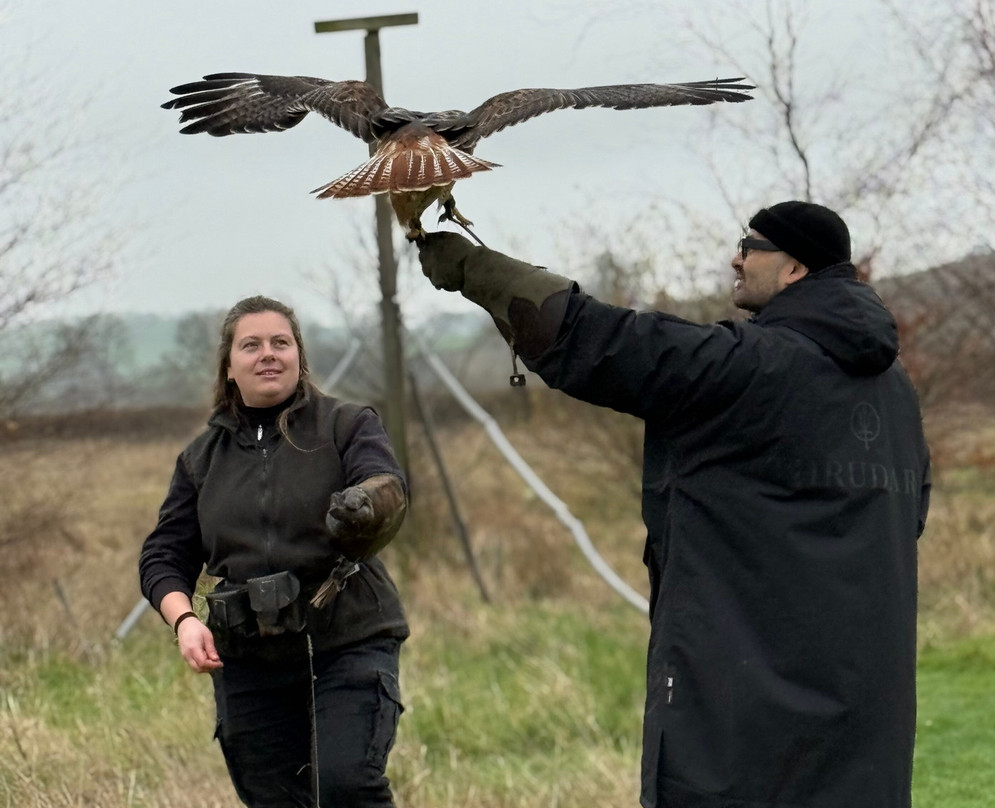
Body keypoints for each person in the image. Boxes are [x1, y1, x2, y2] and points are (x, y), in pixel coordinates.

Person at [416, 201, 931, 808]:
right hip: (867, 708)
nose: (736, 257)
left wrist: (479, 270)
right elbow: (910, 516)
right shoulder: (897, 393)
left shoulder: (753, 366)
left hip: (746, 708)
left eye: (750, 244)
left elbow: (608, 343)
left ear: (793, 268)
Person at [138, 295, 410, 808]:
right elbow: (163, 557)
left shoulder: (347, 425)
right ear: (230, 365)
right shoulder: (201, 459)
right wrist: (183, 621)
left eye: (280, 342)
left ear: (299, 357)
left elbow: (386, 485)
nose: (268, 353)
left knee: (345, 786)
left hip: (346, 639)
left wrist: (365, 504)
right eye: (252, 345)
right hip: (248, 657)